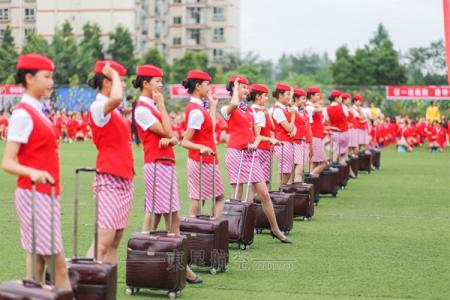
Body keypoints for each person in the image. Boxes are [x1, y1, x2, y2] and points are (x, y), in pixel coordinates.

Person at [1, 53, 71, 289]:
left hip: (45, 193)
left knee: (38, 263)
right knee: (58, 264)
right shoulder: (22, 114)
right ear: (29, 78)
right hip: (34, 193)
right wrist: (32, 172)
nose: (52, 82)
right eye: (47, 76)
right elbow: (8, 162)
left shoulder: (39, 111)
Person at [133, 64, 202, 284]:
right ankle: (146, 263)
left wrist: (170, 136)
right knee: (159, 216)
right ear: (145, 84)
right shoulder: (144, 109)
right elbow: (169, 132)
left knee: (169, 216)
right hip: (156, 164)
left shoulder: (150, 107)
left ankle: (165, 263)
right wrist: (162, 106)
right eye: (157, 81)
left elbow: (171, 137)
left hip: (164, 163)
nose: (161, 85)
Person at [221, 76, 292, 244]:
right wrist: (236, 89)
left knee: (264, 194)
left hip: (250, 155)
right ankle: (234, 232)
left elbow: (255, 133)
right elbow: (234, 105)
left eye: (247, 88)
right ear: (234, 89)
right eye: (242, 87)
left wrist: (255, 142)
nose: (246, 91)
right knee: (237, 195)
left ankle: (276, 229)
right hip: (236, 153)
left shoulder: (249, 110)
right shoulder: (227, 108)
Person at [86, 60, 134, 264]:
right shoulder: (98, 107)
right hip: (109, 178)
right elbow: (116, 97)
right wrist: (114, 75)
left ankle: (107, 286)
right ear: (107, 82)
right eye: (119, 81)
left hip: (124, 178)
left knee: (115, 240)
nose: (122, 85)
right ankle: (83, 286)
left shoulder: (113, 110)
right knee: (104, 240)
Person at [180, 70, 225, 218]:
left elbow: (210, 129)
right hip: (202, 160)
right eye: (207, 84)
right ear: (198, 86)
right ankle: (212, 232)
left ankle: (197, 233)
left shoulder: (197, 108)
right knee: (217, 197)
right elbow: (185, 141)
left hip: (202, 159)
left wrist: (213, 106)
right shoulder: (196, 111)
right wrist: (201, 147)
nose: (209, 88)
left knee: (199, 197)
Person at [271, 83, 296, 185]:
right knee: (285, 172)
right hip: (282, 143)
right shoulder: (278, 110)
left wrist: (293, 130)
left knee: (287, 171)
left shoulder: (284, 108)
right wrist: (293, 115)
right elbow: (289, 127)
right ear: (280, 95)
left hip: (286, 142)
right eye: (288, 94)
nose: (290, 97)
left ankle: (281, 193)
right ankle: (280, 193)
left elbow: (292, 128)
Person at [323, 90, 350, 166]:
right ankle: (342, 168)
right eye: (340, 97)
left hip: (334, 133)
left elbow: (328, 120)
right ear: (336, 98)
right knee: (343, 152)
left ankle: (334, 165)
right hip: (344, 131)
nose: (341, 99)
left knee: (335, 151)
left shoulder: (326, 109)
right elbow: (346, 117)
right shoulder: (343, 107)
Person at [306, 87, 328, 175]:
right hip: (314, 136)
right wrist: (318, 106)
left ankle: (312, 184)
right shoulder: (309, 107)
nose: (319, 98)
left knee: (314, 162)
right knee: (324, 163)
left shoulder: (311, 106)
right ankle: (310, 178)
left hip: (317, 136)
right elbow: (319, 110)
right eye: (317, 95)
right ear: (311, 96)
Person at [292, 88, 312, 182]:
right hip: (296, 141)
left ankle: (296, 188)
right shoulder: (291, 110)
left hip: (304, 141)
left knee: (300, 166)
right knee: (298, 166)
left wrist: (310, 144)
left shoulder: (304, 111)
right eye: (303, 99)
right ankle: (296, 187)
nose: (305, 101)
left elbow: (308, 127)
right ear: (296, 98)